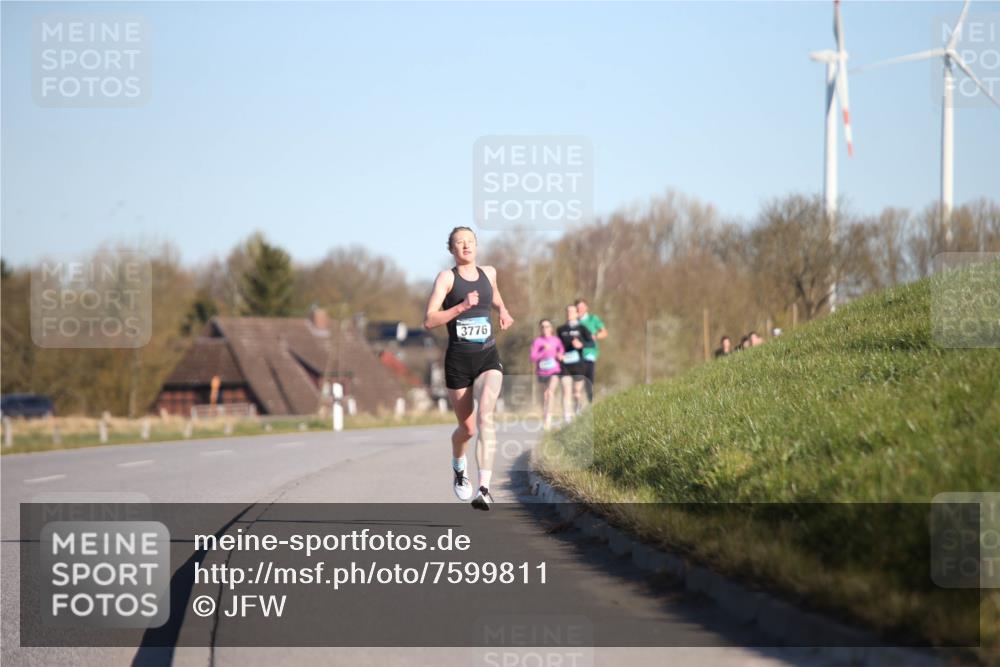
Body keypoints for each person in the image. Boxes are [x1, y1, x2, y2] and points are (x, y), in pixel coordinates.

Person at [424, 226, 514, 510]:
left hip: (487, 358)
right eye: (459, 243)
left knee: (486, 415)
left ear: (476, 245)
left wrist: (503, 311)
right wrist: (461, 307)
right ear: (451, 249)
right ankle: (459, 466)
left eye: (470, 241)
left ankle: (484, 489)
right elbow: (429, 320)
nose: (466, 246)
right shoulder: (447, 278)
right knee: (468, 429)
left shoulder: (489, 273)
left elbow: (494, 295)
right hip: (458, 363)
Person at [556, 304, 594, 423]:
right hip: (565, 364)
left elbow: (592, 343)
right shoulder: (561, 329)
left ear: (577, 314)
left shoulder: (582, 328)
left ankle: (577, 412)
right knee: (565, 390)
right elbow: (557, 345)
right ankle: (566, 418)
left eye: (572, 311)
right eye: (567, 311)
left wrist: (582, 344)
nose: (569, 314)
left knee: (576, 392)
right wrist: (558, 353)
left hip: (578, 364)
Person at [530, 319, 564, 430]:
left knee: (550, 392)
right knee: (544, 396)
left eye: (547, 326)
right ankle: (545, 415)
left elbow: (561, 352)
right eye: (543, 327)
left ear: (551, 328)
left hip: (554, 371)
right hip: (541, 372)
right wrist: (543, 351)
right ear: (540, 329)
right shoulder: (537, 342)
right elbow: (532, 357)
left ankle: (548, 418)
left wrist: (560, 355)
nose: (545, 329)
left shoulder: (556, 341)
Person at [575, 298, 607, 403]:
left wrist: (595, 336)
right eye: (578, 307)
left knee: (588, 381)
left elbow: (604, 333)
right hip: (575, 355)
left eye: (582, 307)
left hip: (589, 353)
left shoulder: (593, 319)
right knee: (577, 382)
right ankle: (577, 405)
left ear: (586, 308)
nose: (580, 309)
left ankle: (589, 402)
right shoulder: (574, 321)